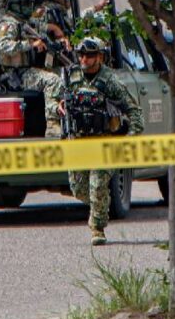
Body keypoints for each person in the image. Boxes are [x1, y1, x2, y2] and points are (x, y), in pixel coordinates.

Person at [56, 38, 143, 246]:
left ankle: (97, 228)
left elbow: (133, 111)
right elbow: (56, 100)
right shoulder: (72, 77)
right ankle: (101, 203)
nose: (84, 59)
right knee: (78, 188)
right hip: (78, 143)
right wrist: (58, 107)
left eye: (90, 55)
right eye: (81, 55)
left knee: (97, 185)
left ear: (100, 57)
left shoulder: (109, 81)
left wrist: (130, 138)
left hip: (104, 143)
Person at [0, 0, 63, 135]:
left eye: (30, 4)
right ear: (15, 5)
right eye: (25, 4)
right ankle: (52, 125)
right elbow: (2, 48)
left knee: (60, 74)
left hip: (26, 71)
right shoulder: (8, 24)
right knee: (52, 81)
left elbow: (41, 27)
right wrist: (30, 45)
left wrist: (59, 37)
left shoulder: (23, 23)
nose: (29, 8)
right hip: (15, 76)